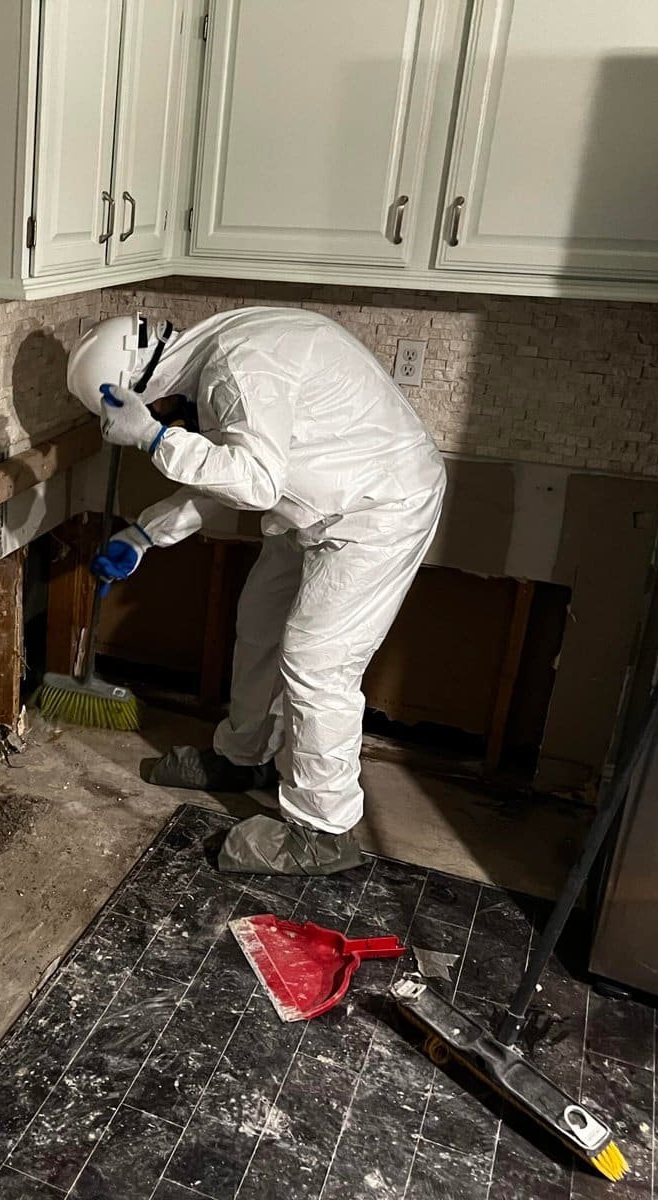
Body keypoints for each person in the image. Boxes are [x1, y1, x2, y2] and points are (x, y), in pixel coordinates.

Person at [65, 309, 446, 876]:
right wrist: (147, 533)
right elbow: (231, 469)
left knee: (317, 660)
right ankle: (242, 758)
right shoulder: (225, 355)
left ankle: (323, 829)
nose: (165, 417)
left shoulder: (239, 366)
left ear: (138, 387)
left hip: (378, 509)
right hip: (320, 504)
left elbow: (255, 480)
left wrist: (153, 438)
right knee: (260, 621)